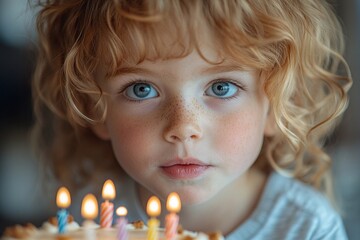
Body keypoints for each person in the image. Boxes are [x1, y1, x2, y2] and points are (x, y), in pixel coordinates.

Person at [32, 0, 352, 239]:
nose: (183, 127)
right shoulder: (87, 221)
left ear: (274, 104)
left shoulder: (307, 228)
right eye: (141, 89)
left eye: (221, 87)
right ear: (96, 109)